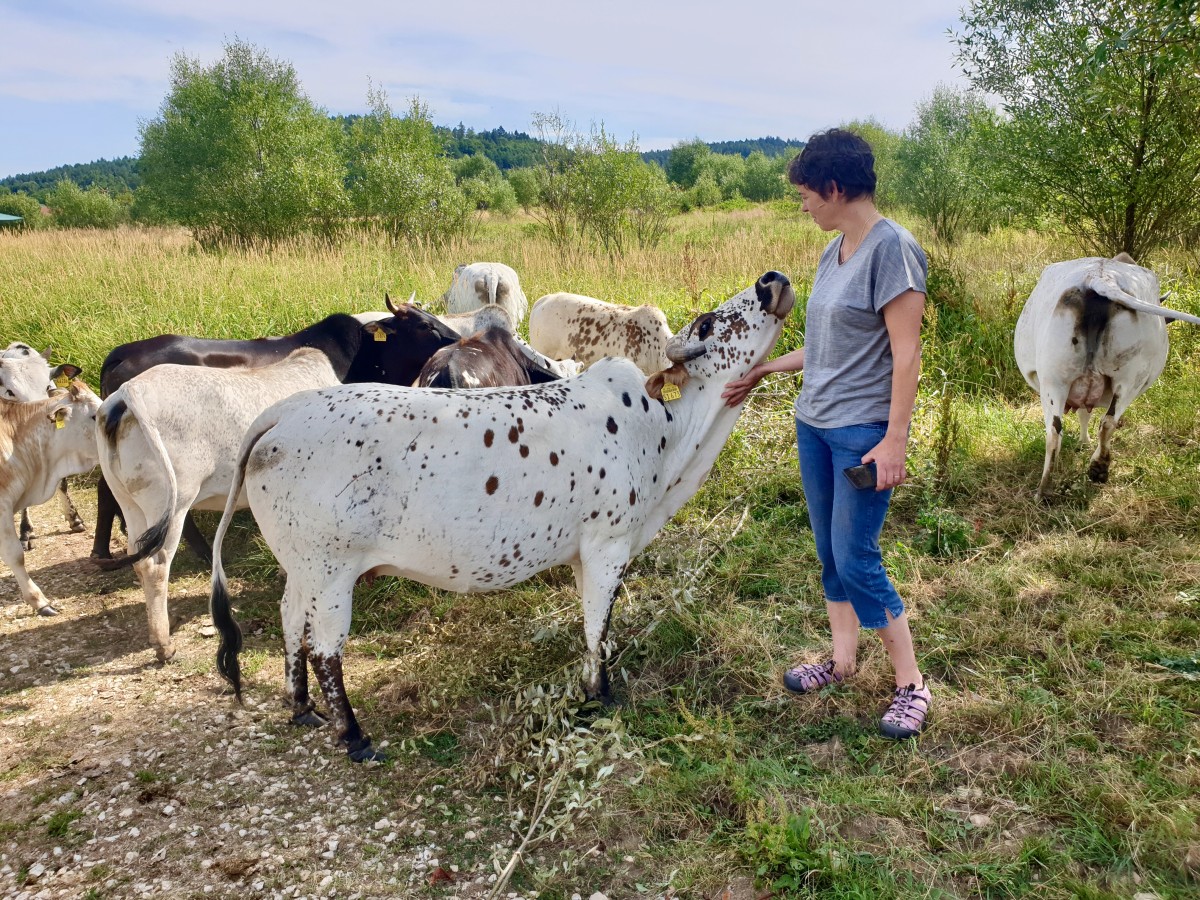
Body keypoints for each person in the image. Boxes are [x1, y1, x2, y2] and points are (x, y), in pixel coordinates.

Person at [721, 128, 930, 740]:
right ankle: (842, 663)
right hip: (813, 424)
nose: (803, 205)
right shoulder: (833, 248)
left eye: (808, 195)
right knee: (828, 557)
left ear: (836, 188)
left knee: (857, 558)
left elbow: (906, 353)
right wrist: (766, 369)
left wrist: (894, 440)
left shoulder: (892, 249)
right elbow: (826, 346)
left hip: (860, 433)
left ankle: (912, 684)